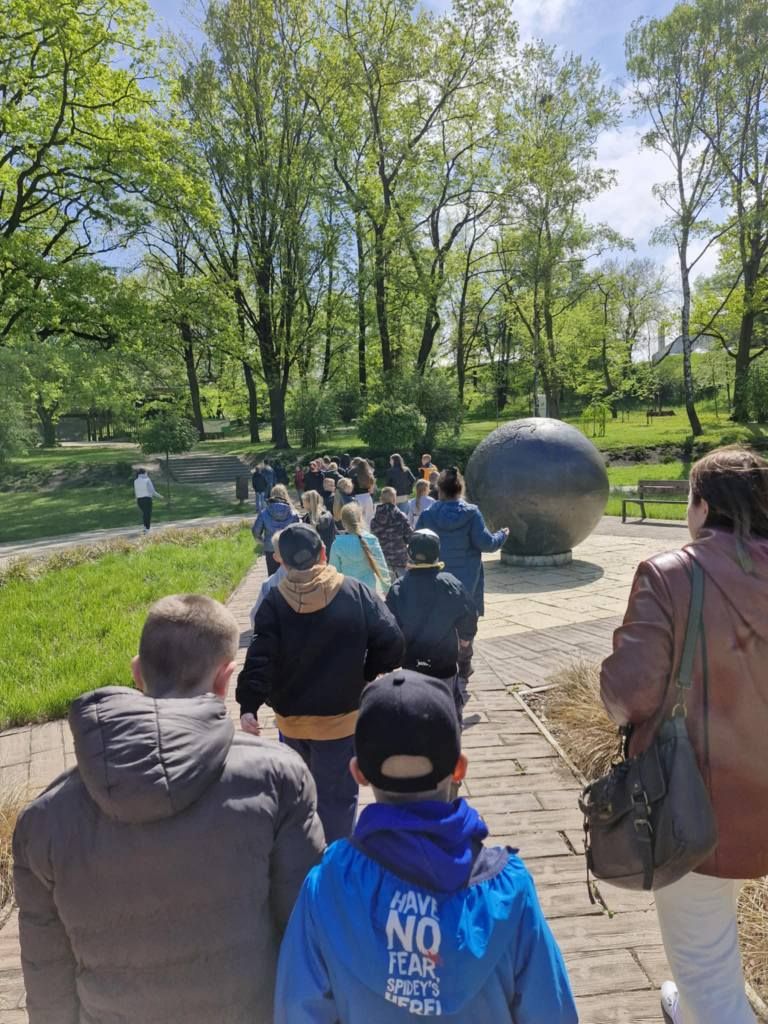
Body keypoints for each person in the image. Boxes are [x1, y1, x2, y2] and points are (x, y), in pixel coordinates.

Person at [13, 594, 324, 1024]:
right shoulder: (278, 778)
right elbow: (305, 931)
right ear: (225, 679)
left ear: (137, 672)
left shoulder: (44, 819)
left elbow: (46, 973)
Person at [274, 669, 578, 1024]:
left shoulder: (328, 886)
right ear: (459, 769)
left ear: (358, 773)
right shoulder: (510, 891)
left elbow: (297, 1010)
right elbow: (552, 1013)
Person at [600, 446, 768, 1024]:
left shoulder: (670, 574)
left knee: (706, 971)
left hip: (695, 803)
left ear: (701, 506)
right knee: (705, 966)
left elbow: (629, 694)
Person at [237, 524, 404, 841]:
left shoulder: (274, 601)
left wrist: (249, 706)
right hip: (341, 721)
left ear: (282, 561)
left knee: (300, 795)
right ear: (324, 553)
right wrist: (368, 672)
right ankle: (335, 858)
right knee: (338, 800)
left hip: (292, 723)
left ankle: (304, 852)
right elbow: (393, 642)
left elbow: (259, 659)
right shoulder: (356, 592)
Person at [386, 529, 477, 721]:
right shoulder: (450, 583)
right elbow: (469, 613)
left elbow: (389, 626)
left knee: (413, 712)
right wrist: (465, 638)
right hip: (444, 663)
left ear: (410, 554)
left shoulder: (398, 588)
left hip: (411, 664)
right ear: (437, 554)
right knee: (449, 710)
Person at [416, 466, 509, 617]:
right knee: (465, 623)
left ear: (439, 489)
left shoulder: (427, 515)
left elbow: (417, 547)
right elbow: (487, 544)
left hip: (436, 579)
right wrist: (502, 535)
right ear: (460, 489)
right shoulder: (472, 513)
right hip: (467, 581)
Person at [330, 502, 390, 593]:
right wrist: (387, 589)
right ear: (360, 519)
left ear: (343, 523)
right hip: (369, 589)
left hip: (348, 589)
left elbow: (334, 572)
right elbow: (382, 566)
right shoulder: (371, 539)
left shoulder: (337, 544)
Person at [253, 483, 301, 575]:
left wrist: (263, 542)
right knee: (289, 577)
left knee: (272, 576)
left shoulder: (264, 513)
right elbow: (297, 533)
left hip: (271, 549)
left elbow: (256, 532)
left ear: (272, 495)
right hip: (288, 549)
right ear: (285, 495)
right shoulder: (293, 513)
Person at [371, 486, 413, 580]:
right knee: (403, 584)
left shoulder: (375, 520)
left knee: (388, 585)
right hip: (400, 557)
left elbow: (373, 539)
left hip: (383, 557)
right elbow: (410, 536)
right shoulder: (401, 516)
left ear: (381, 499)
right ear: (394, 499)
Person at [302, 489, 337, 555]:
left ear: (309, 503)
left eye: (304, 502)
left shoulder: (307, 519)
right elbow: (335, 532)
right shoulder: (328, 515)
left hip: (318, 553)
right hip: (331, 551)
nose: (303, 505)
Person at [133, 467, 162, 533]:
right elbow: (152, 491)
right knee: (148, 514)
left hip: (139, 500)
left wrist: (136, 500)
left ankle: (145, 527)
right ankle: (147, 528)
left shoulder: (135, 481)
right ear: (144, 473)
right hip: (147, 499)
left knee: (144, 514)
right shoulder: (147, 480)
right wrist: (161, 497)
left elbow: (136, 492)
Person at [350, 457, 376, 528]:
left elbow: (352, 489)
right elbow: (372, 490)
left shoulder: (355, 477)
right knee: (369, 518)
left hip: (358, 498)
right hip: (367, 497)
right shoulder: (370, 476)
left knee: (359, 518)